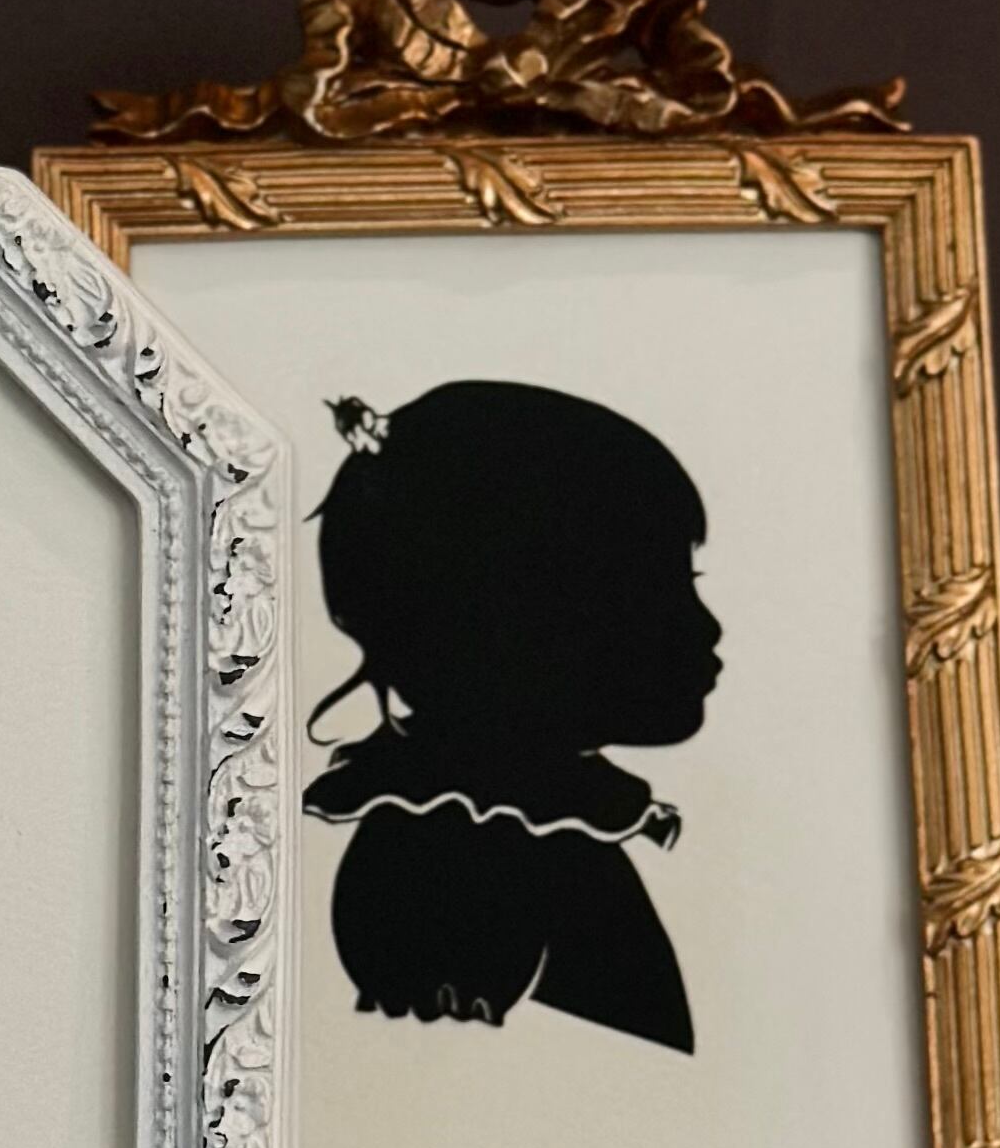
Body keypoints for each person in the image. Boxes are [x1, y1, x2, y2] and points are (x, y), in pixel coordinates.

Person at [304, 380, 720, 1053]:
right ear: (518, 616)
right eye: (661, 589)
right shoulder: (449, 854)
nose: (706, 627)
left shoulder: (533, 825)